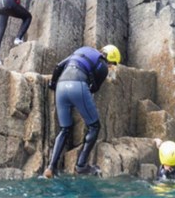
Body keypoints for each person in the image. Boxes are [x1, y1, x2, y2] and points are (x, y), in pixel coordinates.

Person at [43, 45, 122, 179]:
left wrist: (52, 84)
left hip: (61, 87)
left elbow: (58, 66)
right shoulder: (102, 65)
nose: (110, 67)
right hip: (78, 86)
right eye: (112, 65)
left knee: (64, 129)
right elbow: (94, 88)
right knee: (95, 126)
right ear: (111, 60)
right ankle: (81, 165)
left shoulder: (82, 50)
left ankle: (51, 167)